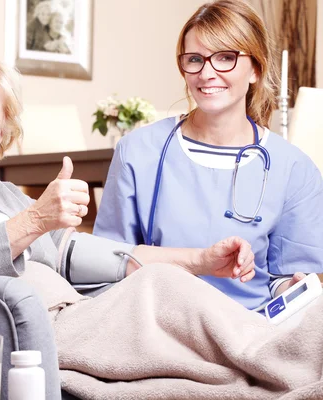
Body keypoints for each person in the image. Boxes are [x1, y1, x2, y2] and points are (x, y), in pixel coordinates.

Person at [0, 44, 323, 398]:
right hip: (27, 331)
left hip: (76, 315)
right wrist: (35, 218)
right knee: (168, 299)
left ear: (1, 130)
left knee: (167, 290)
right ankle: (298, 362)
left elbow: (79, 253)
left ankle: (295, 356)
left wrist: (200, 260)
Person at [94, 0, 323, 313]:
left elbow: (282, 279)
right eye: (195, 59)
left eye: (226, 58)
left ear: (256, 68)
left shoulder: (294, 169)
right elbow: (106, 263)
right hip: (157, 325)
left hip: (249, 331)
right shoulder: (138, 152)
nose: (207, 73)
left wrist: (295, 288)